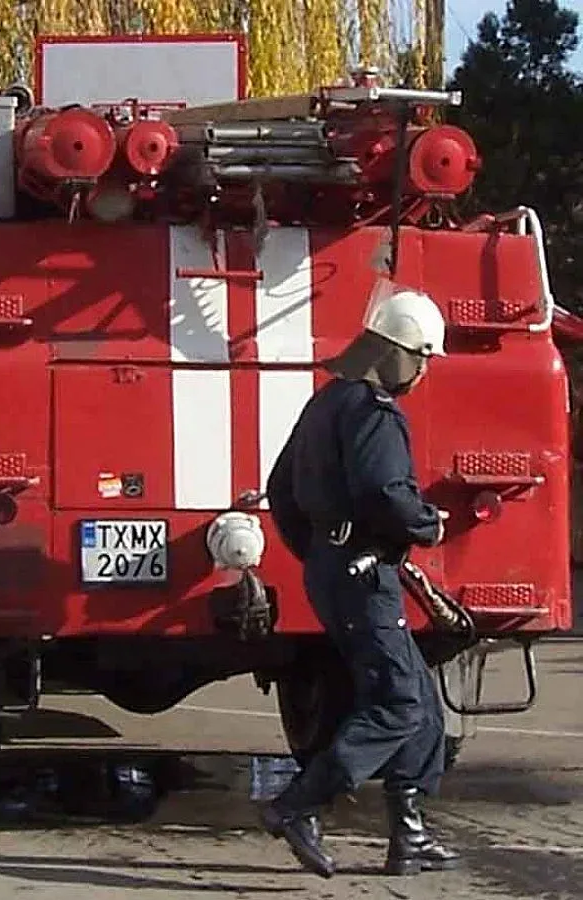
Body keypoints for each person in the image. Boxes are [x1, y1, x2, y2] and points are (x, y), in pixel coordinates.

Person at [262, 285, 461, 879]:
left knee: (421, 703)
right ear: (395, 351)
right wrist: (426, 525)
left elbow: (281, 489)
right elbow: (387, 493)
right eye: (421, 357)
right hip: (363, 577)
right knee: (398, 701)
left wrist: (322, 548)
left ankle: (410, 835)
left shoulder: (326, 403)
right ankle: (297, 805)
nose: (424, 371)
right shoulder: (375, 412)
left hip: (340, 569)